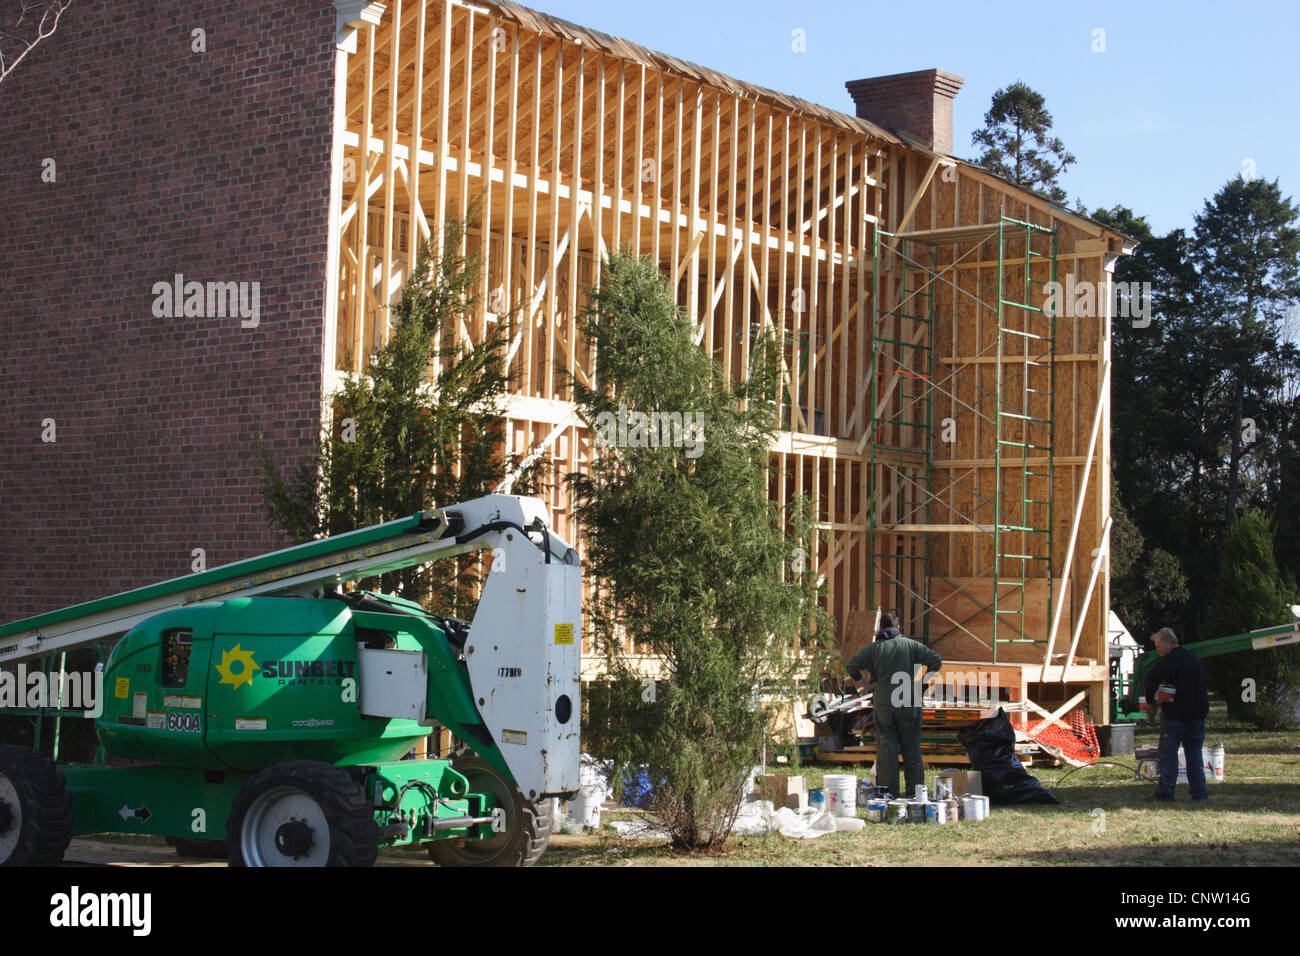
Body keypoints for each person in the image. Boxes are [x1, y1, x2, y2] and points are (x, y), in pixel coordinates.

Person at [845, 615, 942, 799]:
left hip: (884, 702)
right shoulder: (911, 645)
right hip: (909, 698)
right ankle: (916, 794)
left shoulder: (874, 649)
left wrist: (864, 684)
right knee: (911, 748)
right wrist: (922, 682)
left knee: (887, 749)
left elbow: (852, 666)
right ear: (898, 627)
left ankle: (889, 793)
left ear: (880, 628)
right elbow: (936, 661)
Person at [1142, 627, 1209, 802]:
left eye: (1158, 646)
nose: (1157, 650)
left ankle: (1166, 792)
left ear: (1168, 643)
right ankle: (1199, 793)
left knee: (1168, 755)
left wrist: (1150, 703)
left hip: (1175, 716)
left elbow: (1150, 680)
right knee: (1194, 754)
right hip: (1197, 714)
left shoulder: (1168, 660)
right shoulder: (1193, 658)